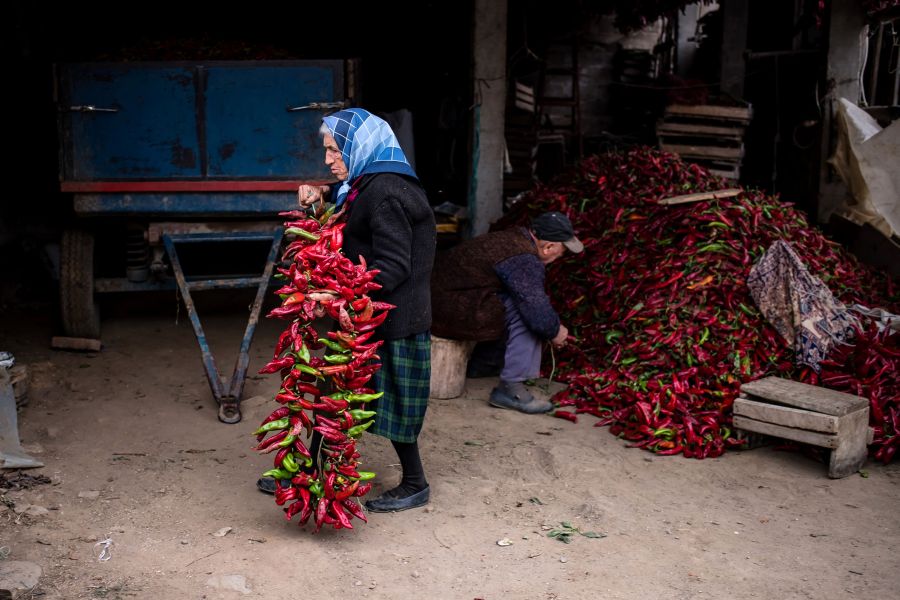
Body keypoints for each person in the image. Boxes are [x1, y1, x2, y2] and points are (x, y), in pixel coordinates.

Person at [283, 108, 436, 513]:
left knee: (396, 402)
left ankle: (416, 482)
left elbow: (394, 267)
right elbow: (350, 205)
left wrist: (336, 298)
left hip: (395, 317)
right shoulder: (365, 184)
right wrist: (319, 194)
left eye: (335, 150)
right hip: (367, 312)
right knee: (337, 393)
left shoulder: (387, 192)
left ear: (359, 147)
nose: (328, 160)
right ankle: (314, 471)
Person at [430, 211, 583, 414]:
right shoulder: (523, 259)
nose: (559, 257)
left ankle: (484, 364)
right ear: (548, 247)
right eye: (561, 252)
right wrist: (555, 331)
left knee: (507, 298)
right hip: (444, 308)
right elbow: (538, 314)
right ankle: (512, 390)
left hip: (439, 300)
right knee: (525, 311)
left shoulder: (514, 238)